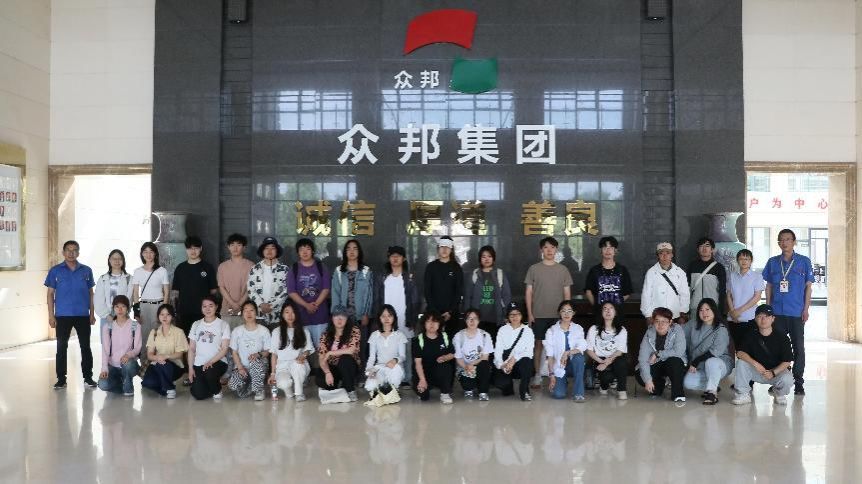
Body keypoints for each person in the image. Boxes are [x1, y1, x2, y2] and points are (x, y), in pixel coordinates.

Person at [761, 229, 814, 395]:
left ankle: (798, 382)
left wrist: (806, 309)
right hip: (777, 313)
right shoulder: (772, 262)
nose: (784, 242)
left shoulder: (804, 261)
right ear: (778, 243)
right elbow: (769, 286)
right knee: (778, 347)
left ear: (794, 242)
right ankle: (778, 380)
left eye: (788, 239)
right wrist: (768, 309)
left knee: (798, 348)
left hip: (796, 312)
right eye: (781, 240)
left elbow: (808, 288)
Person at [45, 240, 97, 390]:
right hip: (62, 315)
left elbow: (91, 293)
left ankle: (88, 377)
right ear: (63, 252)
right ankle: (61, 379)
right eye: (68, 250)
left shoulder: (86, 270)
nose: (71, 253)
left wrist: (91, 314)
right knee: (61, 348)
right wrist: (51, 315)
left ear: (78, 253)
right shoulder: (55, 271)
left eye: (74, 250)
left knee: (85, 347)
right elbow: (50, 294)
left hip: (83, 315)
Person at [524, 236, 573, 388]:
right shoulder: (534, 269)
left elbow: (567, 295)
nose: (549, 250)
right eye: (546, 247)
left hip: (558, 316)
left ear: (556, 250)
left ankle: (559, 374)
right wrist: (530, 313)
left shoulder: (563, 270)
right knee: (538, 345)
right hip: (538, 314)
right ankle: (538, 375)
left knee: (559, 346)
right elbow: (528, 293)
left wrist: (567, 315)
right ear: (541, 250)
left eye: (552, 247)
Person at [372, 245, 420, 384]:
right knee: (387, 349)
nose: (395, 258)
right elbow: (377, 300)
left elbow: (415, 301)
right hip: (386, 320)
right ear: (389, 258)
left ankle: (407, 378)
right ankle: (388, 377)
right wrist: (378, 319)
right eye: (392, 256)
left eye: (398, 256)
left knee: (406, 349)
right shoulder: (382, 278)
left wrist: (412, 319)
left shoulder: (409, 278)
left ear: (403, 258)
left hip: (405, 319)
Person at [731, 304, 795, 406]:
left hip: (776, 372)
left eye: (767, 316)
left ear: (773, 319)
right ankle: (743, 394)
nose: (763, 319)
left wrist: (773, 373)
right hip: (757, 371)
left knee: (788, 379)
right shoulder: (751, 334)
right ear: (755, 319)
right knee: (741, 363)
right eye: (760, 316)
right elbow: (740, 353)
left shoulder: (782, 337)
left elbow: (787, 361)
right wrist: (756, 364)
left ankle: (778, 393)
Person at [683, 298, 733, 405]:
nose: (704, 313)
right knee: (688, 382)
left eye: (707, 309)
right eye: (701, 310)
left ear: (714, 310)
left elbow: (715, 353)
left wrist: (695, 361)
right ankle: (713, 384)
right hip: (700, 366)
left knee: (711, 362)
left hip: (720, 364)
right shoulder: (693, 324)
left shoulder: (721, 329)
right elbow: (680, 334)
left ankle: (712, 393)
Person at [331, 239, 374, 364]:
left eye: (355, 248)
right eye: (348, 248)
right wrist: (336, 315)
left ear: (359, 252)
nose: (352, 251)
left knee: (361, 347)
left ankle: (361, 373)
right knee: (343, 347)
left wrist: (366, 313)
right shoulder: (339, 271)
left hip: (360, 316)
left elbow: (369, 294)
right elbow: (335, 293)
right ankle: (347, 373)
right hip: (343, 317)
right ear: (345, 252)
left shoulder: (366, 271)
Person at [287, 238, 331, 349]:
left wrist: (315, 305)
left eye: (308, 248)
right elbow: (291, 291)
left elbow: (326, 288)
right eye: (301, 249)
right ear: (298, 252)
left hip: (320, 315)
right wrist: (306, 305)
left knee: (321, 347)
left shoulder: (321, 267)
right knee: (304, 348)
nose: (305, 252)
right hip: (301, 315)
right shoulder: (294, 269)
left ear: (313, 251)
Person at [131, 242, 171, 366]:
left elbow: (166, 291)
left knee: (159, 335)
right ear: (142, 254)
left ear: (155, 254)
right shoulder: (137, 271)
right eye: (145, 252)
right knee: (144, 336)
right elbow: (135, 292)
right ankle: (144, 364)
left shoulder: (162, 271)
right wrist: (136, 311)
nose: (148, 254)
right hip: (144, 306)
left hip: (159, 306)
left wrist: (164, 310)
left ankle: (158, 364)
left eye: (151, 252)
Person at [637, 307, 687, 402]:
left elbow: (679, 351)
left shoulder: (677, 329)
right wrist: (648, 380)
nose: (660, 324)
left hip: (672, 363)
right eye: (657, 321)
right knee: (640, 374)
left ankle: (678, 394)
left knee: (675, 361)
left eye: (664, 321)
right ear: (653, 321)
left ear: (670, 322)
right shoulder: (649, 332)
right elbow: (643, 358)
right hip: (656, 363)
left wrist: (658, 354)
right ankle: (660, 384)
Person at [171, 236, 218, 336]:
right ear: (186, 249)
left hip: (203, 312)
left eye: (196, 248)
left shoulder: (208, 267)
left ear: (201, 248)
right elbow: (175, 292)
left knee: (203, 339)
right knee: (184, 341)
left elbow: (213, 291)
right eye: (190, 248)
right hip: (184, 312)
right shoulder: (180, 268)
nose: (193, 251)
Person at [463, 245, 512, 341]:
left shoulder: (500, 274)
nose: (487, 259)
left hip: (495, 317)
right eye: (483, 256)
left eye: (489, 256)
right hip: (477, 318)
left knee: (494, 344)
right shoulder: (474, 274)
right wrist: (468, 316)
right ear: (480, 259)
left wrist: (505, 313)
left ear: (493, 258)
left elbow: (506, 296)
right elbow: (468, 297)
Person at [188, 295, 231, 400]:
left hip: (218, 362)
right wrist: (190, 368)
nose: (207, 309)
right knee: (199, 395)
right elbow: (192, 349)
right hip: (199, 363)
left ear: (216, 307)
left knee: (209, 373)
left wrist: (210, 362)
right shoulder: (196, 324)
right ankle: (208, 385)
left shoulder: (223, 324)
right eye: (204, 306)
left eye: (211, 306)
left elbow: (224, 349)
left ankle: (217, 390)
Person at [141, 303, 188, 398]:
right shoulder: (154, 332)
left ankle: (170, 389)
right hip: (157, 363)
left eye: (168, 314)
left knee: (163, 364)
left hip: (175, 366)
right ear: (158, 316)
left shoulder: (178, 332)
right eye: (162, 314)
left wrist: (166, 356)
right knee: (147, 383)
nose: (164, 317)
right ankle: (165, 386)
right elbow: (150, 354)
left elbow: (179, 354)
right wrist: (158, 357)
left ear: (172, 316)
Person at [269, 301, 314, 401]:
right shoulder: (276, 332)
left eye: (293, 312)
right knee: (283, 383)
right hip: (282, 366)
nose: (290, 315)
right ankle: (289, 392)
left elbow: (308, 349)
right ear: (282, 314)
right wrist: (272, 374)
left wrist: (303, 356)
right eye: (287, 312)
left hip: (299, 364)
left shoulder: (304, 330)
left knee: (297, 366)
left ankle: (299, 393)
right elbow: (274, 354)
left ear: (297, 314)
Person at [228, 300, 272, 400]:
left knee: (255, 361)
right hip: (243, 367)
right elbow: (234, 352)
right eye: (245, 311)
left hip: (259, 365)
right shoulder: (237, 331)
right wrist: (240, 367)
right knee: (233, 385)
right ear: (242, 314)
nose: (248, 313)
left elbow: (268, 351)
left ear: (256, 313)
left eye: (251, 310)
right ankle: (252, 384)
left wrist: (258, 355)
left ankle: (259, 390)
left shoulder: (263, 330)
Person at [98, 295, 141, 396]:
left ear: (128, 308)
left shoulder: (135, 326)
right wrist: (104, 368)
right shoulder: (107, 327)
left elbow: (137, 348)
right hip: (113, 366)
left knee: (128, 365)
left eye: (123, 306)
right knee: (102, 384)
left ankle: (128, 388)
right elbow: (105, 350)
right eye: (117, 306)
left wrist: (128, 355)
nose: (120, 309)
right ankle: (122, 383)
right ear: (113, 308)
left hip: (130, 365)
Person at [545, 300, 587, 402]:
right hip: (559, 366)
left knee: (579, 358)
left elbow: (582, 346)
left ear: (573, 313)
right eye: (563, 311)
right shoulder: (551, 331)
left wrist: (568, 353)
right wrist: (551, 376)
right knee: (558, 395)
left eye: (569, 311)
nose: (566, 314)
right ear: (559, 313)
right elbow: (550, 356)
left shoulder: (578, 328)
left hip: (574, 365)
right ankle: (563, 382)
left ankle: (579, 393)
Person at [316, 307, 361, 402]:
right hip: (333, 366)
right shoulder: (325, 334)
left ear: (347, 319)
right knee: (321, 379)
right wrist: (327, 373)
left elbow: (351, 350)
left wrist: (330, 353)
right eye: (336, 317)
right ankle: (337, 386)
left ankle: (350, 390)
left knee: (345, 359)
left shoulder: (354, 330)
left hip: (349, 366)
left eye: (343, 317)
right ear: (332, 319)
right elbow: (321, 357)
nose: (339, 319)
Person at [585, 302, 629, 400]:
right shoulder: (594, 329)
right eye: (605, 308)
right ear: (601, 313)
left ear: (615, 312)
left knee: (621, 362)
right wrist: (601, 361)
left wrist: (606, 363)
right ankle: (603, 386)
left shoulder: (622, 330)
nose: (608, 311)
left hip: (615, 357)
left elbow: (620, 351)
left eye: (611, 308)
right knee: (606, 377)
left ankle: (622, 390)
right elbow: (589, 350)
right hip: (599, 358)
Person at [364, 304, 408, 401]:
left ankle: (393, 389)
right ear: (379, 318)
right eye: (383, 316)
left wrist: (395, 360)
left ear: (394, 318)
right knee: (371, 386)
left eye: (389, 315)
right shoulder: (374, 335)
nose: (386, 318)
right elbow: (372, 357)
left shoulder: (399, 335)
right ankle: (382, 388)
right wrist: (369, 370)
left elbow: (403, 356)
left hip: (394, 368)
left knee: (396, 370)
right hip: (380, 367)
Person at [493, 302, 535, 401]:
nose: (514, 317)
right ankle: (508, 385)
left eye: (517, 314)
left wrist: (514, 359)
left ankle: (524, 390)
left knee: (527, 362)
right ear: (508, 316)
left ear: (522, 315)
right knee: (503, 386)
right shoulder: (502, 330)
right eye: (511, 314)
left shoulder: (527, 331)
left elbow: (529, 352)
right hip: (505, 364)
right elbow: (498, 350)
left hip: (520, 364)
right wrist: (502, 365)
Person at [412, 311, 456, 404]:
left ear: (439, 324)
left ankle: (445, 393)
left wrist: (445, 357)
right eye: (428, 321)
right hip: (423, 372)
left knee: (446, 367)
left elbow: (452, 354)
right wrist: (422, 380)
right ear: (424, 324)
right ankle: (425, 386)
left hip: (439, 371)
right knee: (424, 397)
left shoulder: (444, 337)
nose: (432, 324)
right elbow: (418, 363)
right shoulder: (418, 340)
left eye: (435, 321)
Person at [247, 236, 289, 330]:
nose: (269, 251)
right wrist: (261, 304)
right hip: (259, 315)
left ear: (277, 251)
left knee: (278, 339)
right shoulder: (255, 269)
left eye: (272, 248)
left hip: (278, 315)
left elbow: (286, 291)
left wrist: (272, 306)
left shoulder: (284, 269)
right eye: (266, 248)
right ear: (262, 251)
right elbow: (250, 289)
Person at [640, 242, 690, 322]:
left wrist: (683, 312)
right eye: (661, 253)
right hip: (657, 316)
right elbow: (646, 295)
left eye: (668, 253)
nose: (665, 256)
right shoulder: (651, 272)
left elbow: (685, 294)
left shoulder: (680, 272)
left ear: (672, 255)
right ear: (657, 255)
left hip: (675, 315)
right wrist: (648, 315)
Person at [424, 236, 464, 335]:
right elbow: (427, 291)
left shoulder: (456, 268)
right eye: (442, 246)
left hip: (452, 315)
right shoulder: (431, 267)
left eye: (448, 247)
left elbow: (459, 291)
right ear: (438, 248)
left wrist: (450, 311)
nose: (444, 249)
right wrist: (435, 312)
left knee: (451, 340)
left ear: (451, 249)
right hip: (433, 314)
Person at [726, 249, 765, 347]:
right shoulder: (732, 276)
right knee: (737, 347)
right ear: (737, 260)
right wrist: (733, 312)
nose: (744, 261)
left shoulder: (757, 277)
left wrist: (739, 311)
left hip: (750, 318)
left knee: (749, 347)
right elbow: (728, 295)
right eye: (741, 259)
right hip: (733, 318)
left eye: (746, 259)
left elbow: (757, 297)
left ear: (751, 261)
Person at [94, 249, 133, 347]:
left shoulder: (129, 278)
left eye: (119, 258)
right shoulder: (103, 278)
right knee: (107, 345)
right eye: (114, 259)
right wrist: (107, 315)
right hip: (106, 316)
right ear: (109, 261)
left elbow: (129, 298)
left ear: (123, 261)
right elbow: (98, 299)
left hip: (123, 316)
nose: (117, 261)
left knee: (123, 344)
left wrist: (122, 314)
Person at [453, 308, 494, 401]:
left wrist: (472, 364)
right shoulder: (458, 336)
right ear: (465, 320)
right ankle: (468, 389)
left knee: (485, 364)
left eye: (475, 318)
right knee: (468, 384)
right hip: (464, 367)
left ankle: (483, 392)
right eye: (469, 318)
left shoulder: (485, 335)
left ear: (479, 320)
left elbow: (485, 357)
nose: (472, 321)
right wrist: (466, 367)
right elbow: (458, 358)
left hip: (479, 365)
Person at [216, 233, 255, 329]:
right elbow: (221, 287)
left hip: (246, 310)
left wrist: (239, 304)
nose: (235, 248)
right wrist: (233, 304)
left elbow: (251, 287)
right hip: (227, 310)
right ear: (228, 247)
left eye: (239, 244)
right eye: (232, 245)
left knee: (245, 335)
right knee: (227, 336)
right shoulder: (222, 266)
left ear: (244, 247)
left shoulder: (251, 265)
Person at [584, 236, 633, 311]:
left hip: (617, 313)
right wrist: (597, 307)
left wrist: (615, 306)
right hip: (599, 313)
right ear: (601, 251)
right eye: (605, 247)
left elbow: (627, 292)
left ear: (615, 251)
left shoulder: (622, 270)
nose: (608, 250)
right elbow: (588, 291)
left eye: (611, 247)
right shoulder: (594, 270)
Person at [687, 237, 728, 316]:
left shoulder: (719, 267)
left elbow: (722, 291)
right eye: (701, 246)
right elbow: (687, 288)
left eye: (707, 246)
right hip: (695, 308)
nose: (704, 248)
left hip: (712, 308)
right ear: (698, 249)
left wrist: (720, 310)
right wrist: (686, 310)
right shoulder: (692, 266)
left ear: (712, 249)